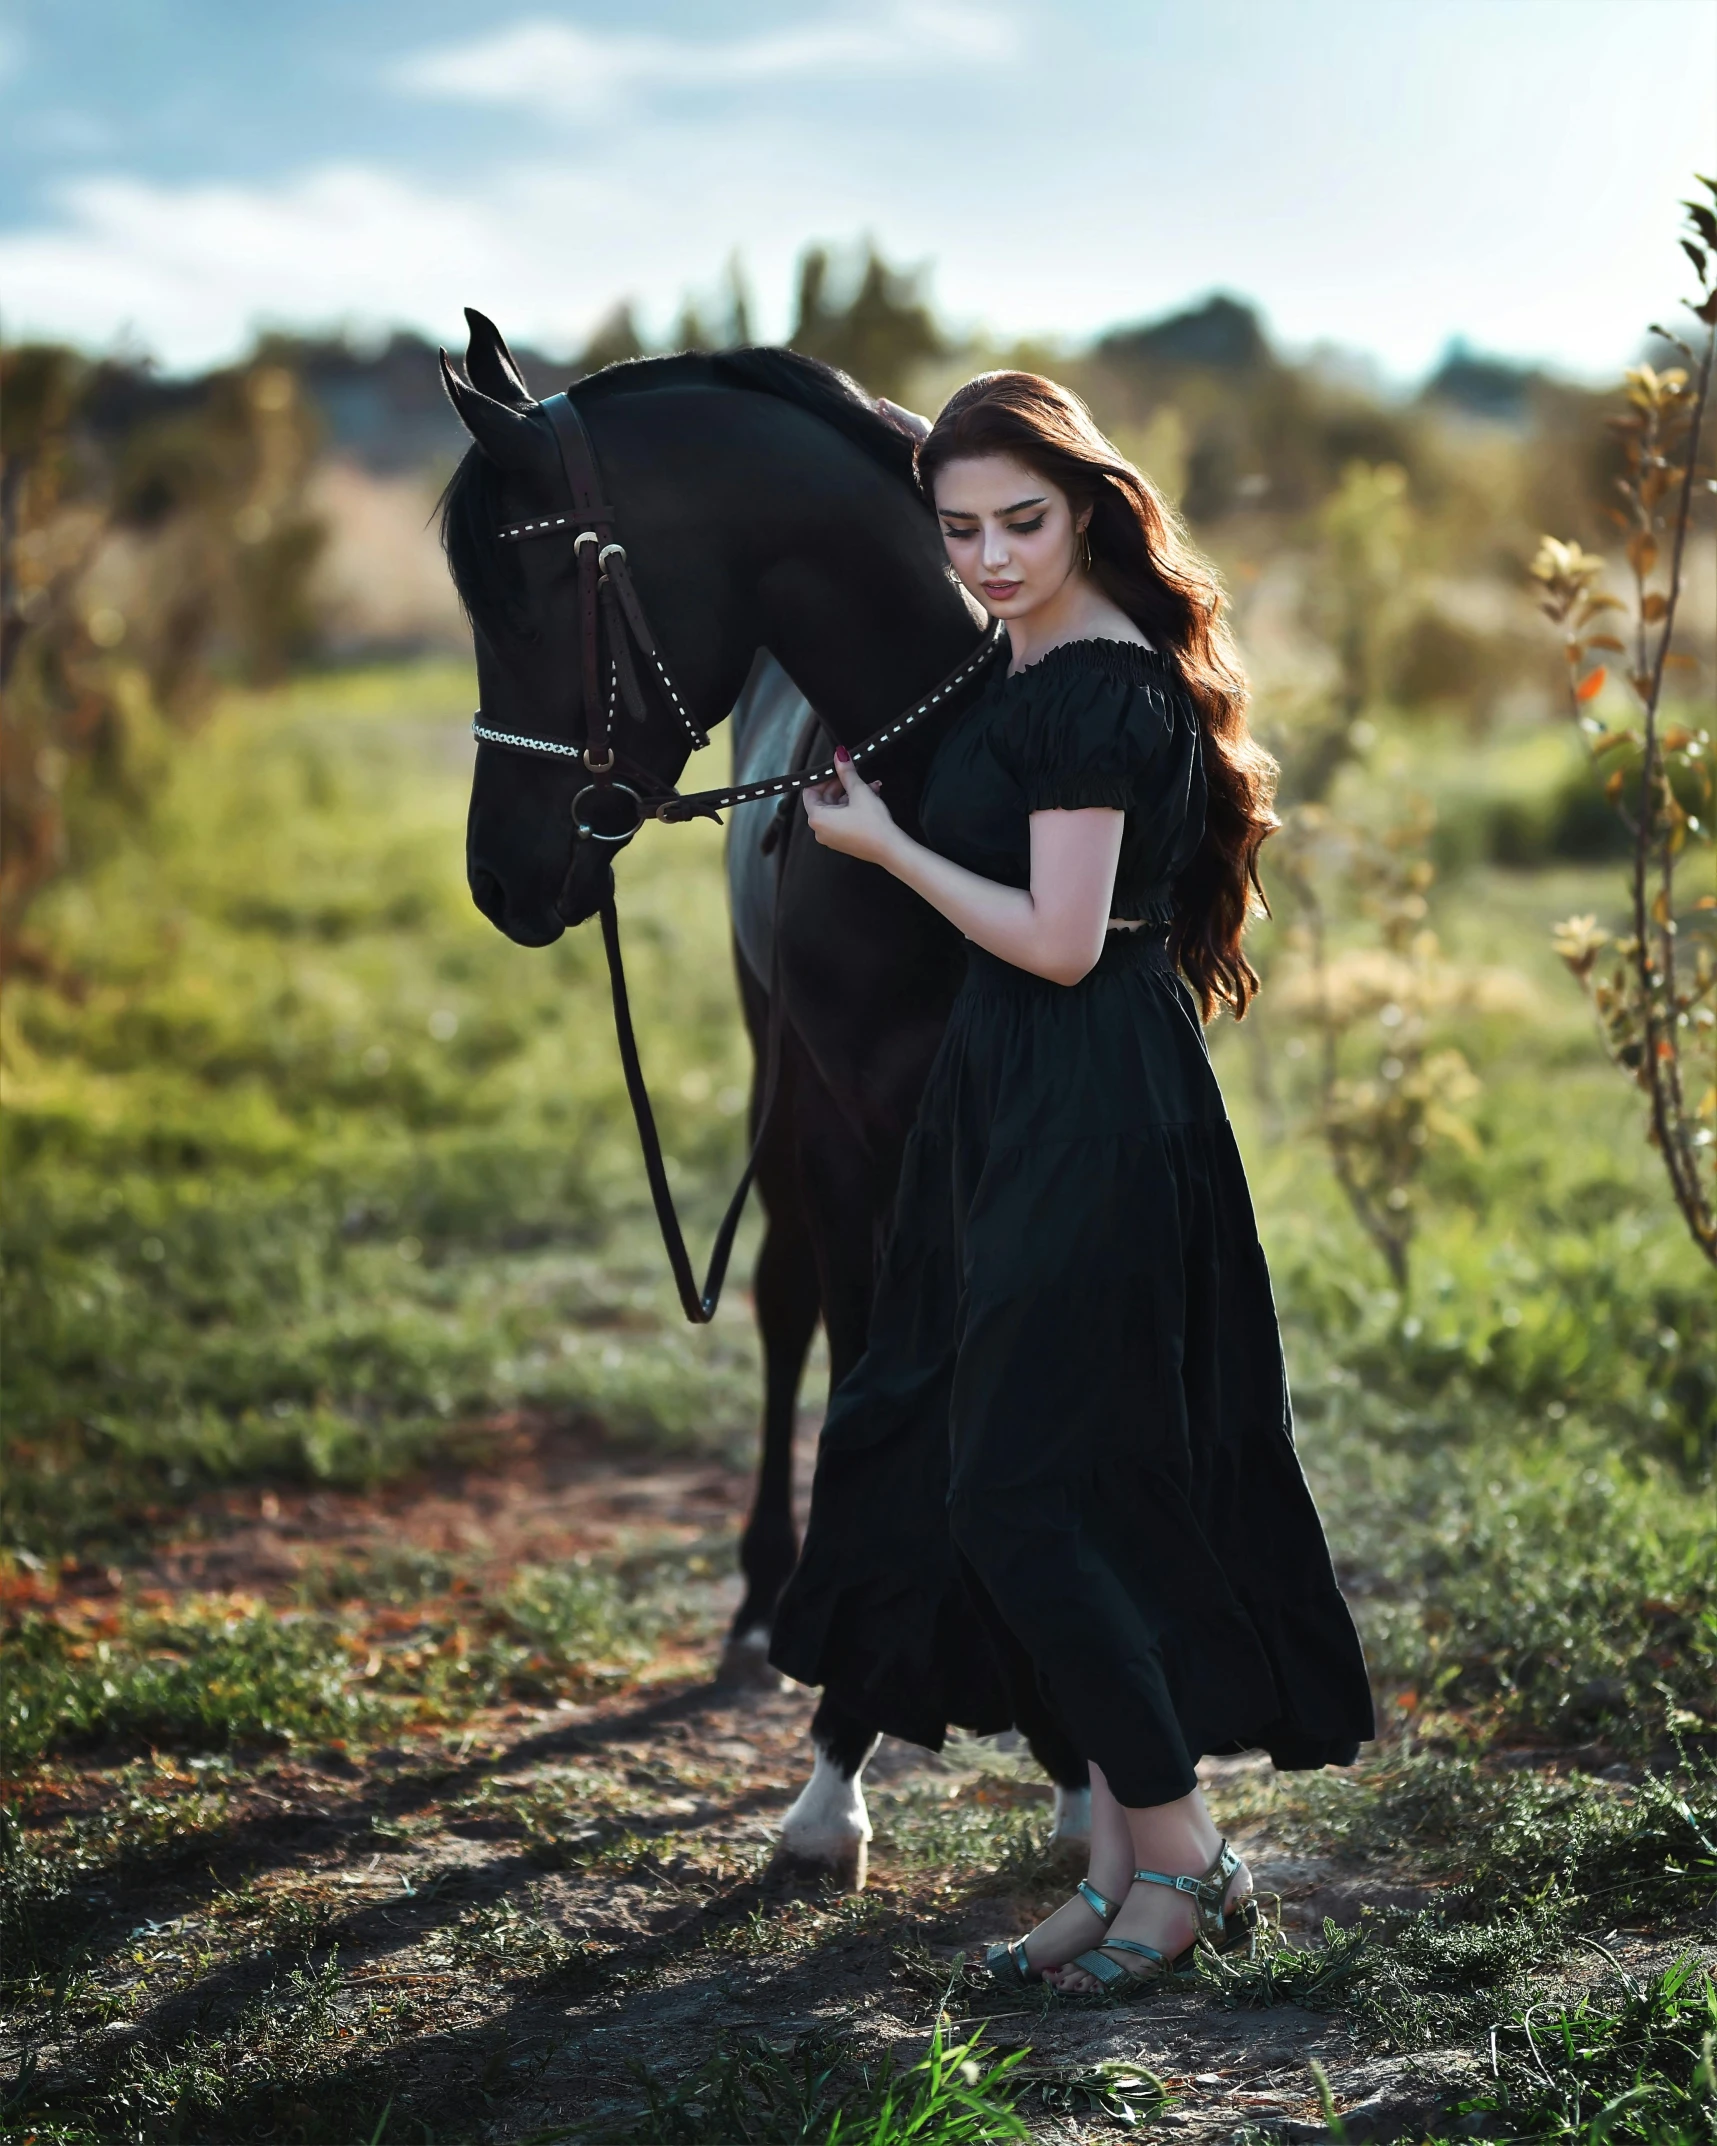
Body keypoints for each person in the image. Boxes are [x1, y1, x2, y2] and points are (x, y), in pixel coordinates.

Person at [768, 372, 1373, 1995]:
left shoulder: (1097, 682)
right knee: (1075, 1477)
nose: (988, 556)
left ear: (1092, 503)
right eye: (958, 528)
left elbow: (1054, 935)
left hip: (1084, 1093)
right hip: (1023, 1086)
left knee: (1016, 1494)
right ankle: (1114, 1879)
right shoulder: (1024, 652)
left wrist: (890, 849)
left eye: (1021, 521)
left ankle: (1183, 1856)